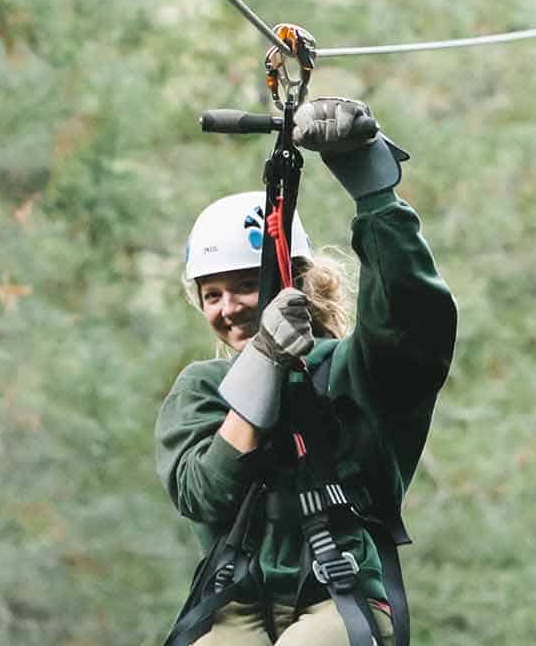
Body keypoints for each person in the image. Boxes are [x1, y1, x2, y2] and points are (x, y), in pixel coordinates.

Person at [156, 98, 458, 645]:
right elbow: (203, 495)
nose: (229, 308)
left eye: (246, 285)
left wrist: (373, 189)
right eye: (213, 295)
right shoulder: (202, 389)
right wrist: (263, 363)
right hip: (234, 602)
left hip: (340, 593)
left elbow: (413, 323)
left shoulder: (354, 372)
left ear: (296, 280)